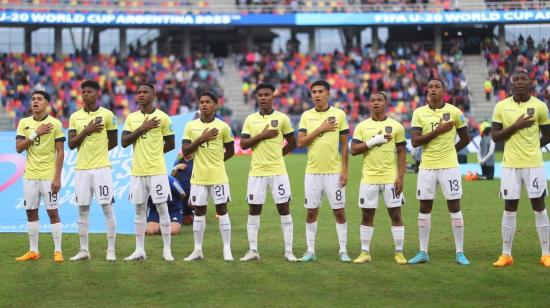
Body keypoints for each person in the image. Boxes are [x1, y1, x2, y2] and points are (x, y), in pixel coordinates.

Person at [491, 70, 550, 267]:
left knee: (539, 207)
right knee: (509, 208)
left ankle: (546, 254)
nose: (519, 82)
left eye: (523, 79)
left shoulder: (540, 106)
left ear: (530, 83)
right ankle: (506, 254)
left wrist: (532, 146)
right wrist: (516, 126)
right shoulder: (501, 106)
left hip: (534, 165)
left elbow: (548, 134)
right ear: (511, 83)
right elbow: (495, 136)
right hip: (510, 166)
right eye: (516, 79)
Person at [408, 79, 471, 265]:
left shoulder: (455, 112)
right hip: (427, 167)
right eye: (430, 87)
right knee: (424, 207)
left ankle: (460, 252)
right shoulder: (419, 113)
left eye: (437, 87)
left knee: (454, 206)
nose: (433, 90)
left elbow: (466, 138)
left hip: (449, 167)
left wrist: (451, 151)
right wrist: (438, 131)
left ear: (444, 91)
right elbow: (415, 141)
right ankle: (423, 251)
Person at [239, 83, 297, 262]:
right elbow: (243, 144)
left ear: (273, 97)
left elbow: (292, 143)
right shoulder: (250, 120)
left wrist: (278, 156)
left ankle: (288, 251)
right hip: (256, 172)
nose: (263, 97)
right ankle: (253, 251)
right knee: (254, 209)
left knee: (284, 208)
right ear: (257, 98)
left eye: (267, 94)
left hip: (278, 172)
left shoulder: (282, 118)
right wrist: (261, 135)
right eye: (260, 95)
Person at [350, 92, 407, 265]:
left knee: (396, 214)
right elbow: (353, 150)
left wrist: (400, 177)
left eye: (379, 100)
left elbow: (402, 152)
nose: (375, 103)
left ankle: (399, 252)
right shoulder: (362, 126)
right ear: (369, 104)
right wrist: (375, 140)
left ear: (386, 103)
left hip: (390, 178)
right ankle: (365, 252)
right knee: (367, 215)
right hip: (369, 179)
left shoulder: (396, 126)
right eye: (372, 100)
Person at [296, 80, 350, 262]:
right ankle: (310, 251)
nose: (317, 95)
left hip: (334, 172)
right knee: (311, 211)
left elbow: (344, 146)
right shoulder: (306, 116)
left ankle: (343, 250)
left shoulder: (339, 114)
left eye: (320, 91)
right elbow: (301, 142)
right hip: (312, 172)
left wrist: (345, 170)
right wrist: (321, 129)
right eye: (314, 92)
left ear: (328, 93)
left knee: (339, 211)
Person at [121, 83, 175, 261]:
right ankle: (139, 250)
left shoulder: (163, 118)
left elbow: (171, 143)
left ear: (154, 95)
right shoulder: (131, 118)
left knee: (161, 207)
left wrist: (154, 155)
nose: (141, 95)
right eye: (138, 92)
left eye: (145, 92)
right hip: (137, 172)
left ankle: (167, 250)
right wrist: (142, 128)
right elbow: (124, 142)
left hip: (157, 171)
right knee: (139, 209)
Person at [68, 80, 118, 261]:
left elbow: (114, 141)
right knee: (82, 209)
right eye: (83, 92)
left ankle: (111, 250)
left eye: (89, 91)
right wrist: (87, 131)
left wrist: (99, 153)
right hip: (81, 169)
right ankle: (84, 250)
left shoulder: (107, 115)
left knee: (107, 207)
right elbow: (71, 144)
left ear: (97, 94)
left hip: (102, 169)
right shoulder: (75, 117)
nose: (85, 94)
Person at [182, 91, 235, 261]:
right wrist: (201, 139)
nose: (204, 105)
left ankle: (227, 249)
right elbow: (185, 151)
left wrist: (217, 162)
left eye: (208, 102)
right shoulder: (191, 126)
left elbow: (231, 151)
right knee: (199, 212)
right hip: (198, 178)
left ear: (216, 104)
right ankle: (198, 250)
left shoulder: (223, 127)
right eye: (201, 102)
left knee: (222, 210)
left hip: (218, 177)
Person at [15, 90, 65, 262]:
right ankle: (33, 251)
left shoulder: (55, 124)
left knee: (52, 211)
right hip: (30, 175)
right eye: (33, 99)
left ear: (46, 103)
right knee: (31, 212)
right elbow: (19, 148)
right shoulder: (24, 123)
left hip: (48, 176)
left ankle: (58, 251)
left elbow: (60, 152)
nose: (35, 102)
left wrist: (57, 177)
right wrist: (36, 133)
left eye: (39, 99)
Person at [171, 153, 194, 225]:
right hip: (181, 195)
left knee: (190, 220)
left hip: (193, 193)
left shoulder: (196, 162)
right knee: (186, 221)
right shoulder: (178, 162)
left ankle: (197, 213)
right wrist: (176, 168)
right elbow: (171, 178)